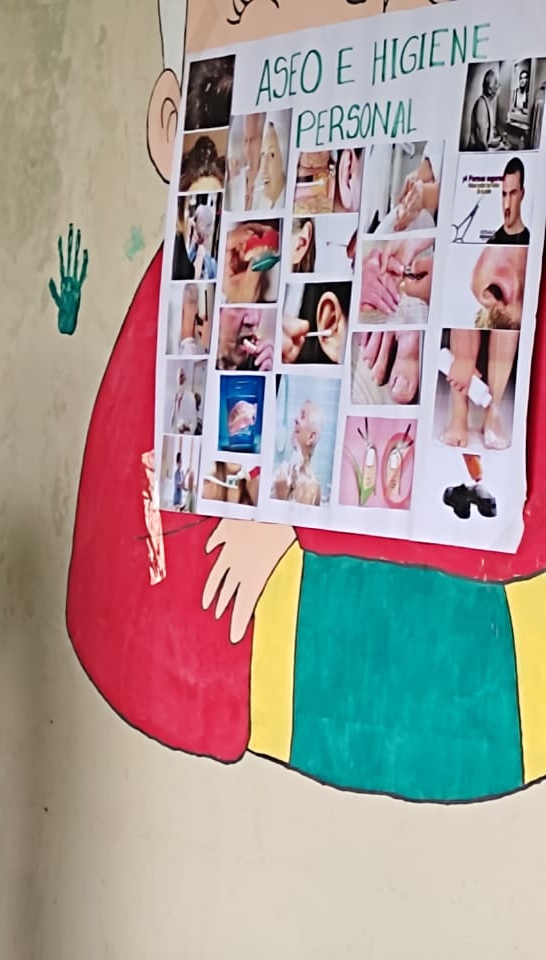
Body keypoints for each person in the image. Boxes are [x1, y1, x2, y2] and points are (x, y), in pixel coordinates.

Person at [67, 0, 546, 803]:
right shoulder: (190, 285)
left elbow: (504, 521)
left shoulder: (479, 266)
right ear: (170, 124)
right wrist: (266, 505)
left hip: (460, 685)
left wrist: (299, 518)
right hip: (255, 682)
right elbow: (128, 543)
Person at [490, 156, 530, 244]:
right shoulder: (492, 243)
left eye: (513, 193)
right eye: (504, 194)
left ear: (522, 194)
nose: (507, 205)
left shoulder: (531, 240)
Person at [470, 68, 503, 151]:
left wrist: (498, 143)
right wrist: (495, 151)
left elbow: (486, 139)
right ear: (489, 90)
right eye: (496, 84)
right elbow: (481, 143)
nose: (499, 86)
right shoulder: (481, 105)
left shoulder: (486, 103)